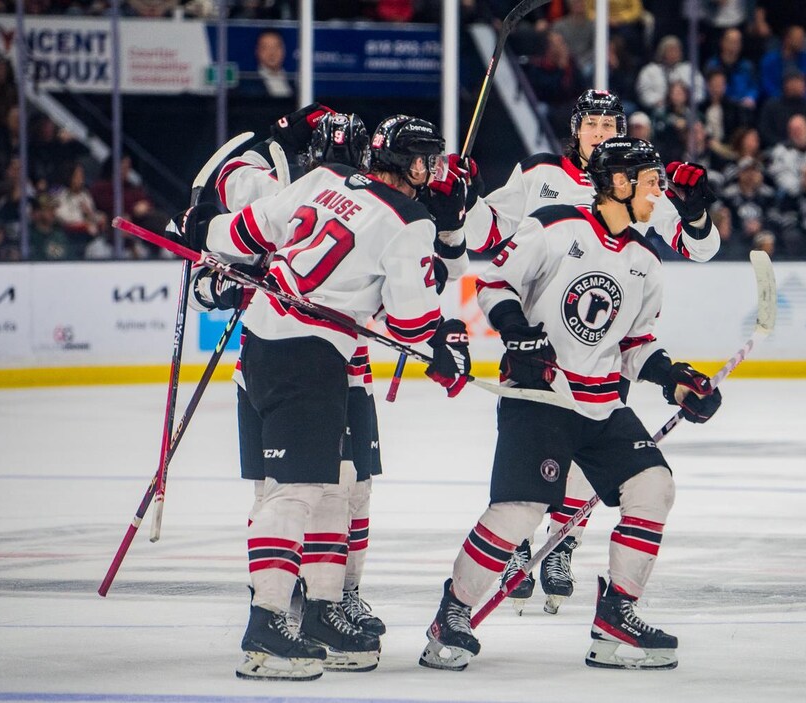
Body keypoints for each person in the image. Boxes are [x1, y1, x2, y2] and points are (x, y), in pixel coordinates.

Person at [180, 113, 473, 680]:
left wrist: (201, 230)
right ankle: (264, 631)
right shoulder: (409, 221)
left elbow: (246, 232)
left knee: (327, 485)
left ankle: (317, 611)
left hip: (263, 345)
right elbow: (411, 323)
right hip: (310, 357)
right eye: (427, 160)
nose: (432, 170)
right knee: (296, 492)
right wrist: (442, 340)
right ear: (409, 164)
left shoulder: (326, 180)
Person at [419, 137, 722, 672]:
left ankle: (616, 616)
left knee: (653, 485)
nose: (660, 193)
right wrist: (518, 333)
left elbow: (635, 343)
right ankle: (453, 612)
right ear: (621, 184)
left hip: (602, 403)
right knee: (520, 512)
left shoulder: (646, 258)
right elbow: (494, 282)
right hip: (541, 395)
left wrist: (675, 380)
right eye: (651, 183)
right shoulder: (557, 224)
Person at [237, 29, 294, 98]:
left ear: (284, 50)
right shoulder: (248, 85)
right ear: (257, 51)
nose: (272, 53)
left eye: (276, 47)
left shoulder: (294, 81)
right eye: (265, 48)